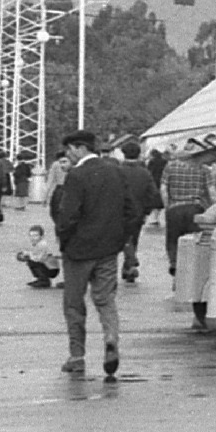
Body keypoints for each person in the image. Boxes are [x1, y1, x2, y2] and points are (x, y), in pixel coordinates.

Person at [49, 129, 142, 379]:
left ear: (80, 148)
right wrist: (120, 240)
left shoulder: (76, 176)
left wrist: (64, 241)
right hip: (108, 250)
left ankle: (77, 356)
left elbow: (68, 215)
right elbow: (132, 211)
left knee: (74, 304)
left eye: (70, 149)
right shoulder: (116, 171)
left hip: (78, 252)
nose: (68, 154)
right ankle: (111, 339)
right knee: (105, 300)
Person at [114, 139, 162, 284]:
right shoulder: (144, 173)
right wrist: (146, 210)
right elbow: (153, 193)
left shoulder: (116, 171)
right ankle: (129, 266)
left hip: (117, 211)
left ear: (123, 154)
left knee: (116, 240)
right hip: (137, 212)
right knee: (133, 238)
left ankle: (123, 264)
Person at [161, 151, 211, 276]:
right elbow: (211, 189)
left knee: (173, 239)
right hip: (195, 208)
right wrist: (212, 206)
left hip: (175, 208)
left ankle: (174, 262)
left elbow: (163, 189)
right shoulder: (203, 168)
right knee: (194, 239)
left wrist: (167, 206)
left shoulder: (170, 167)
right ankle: (191, 266)